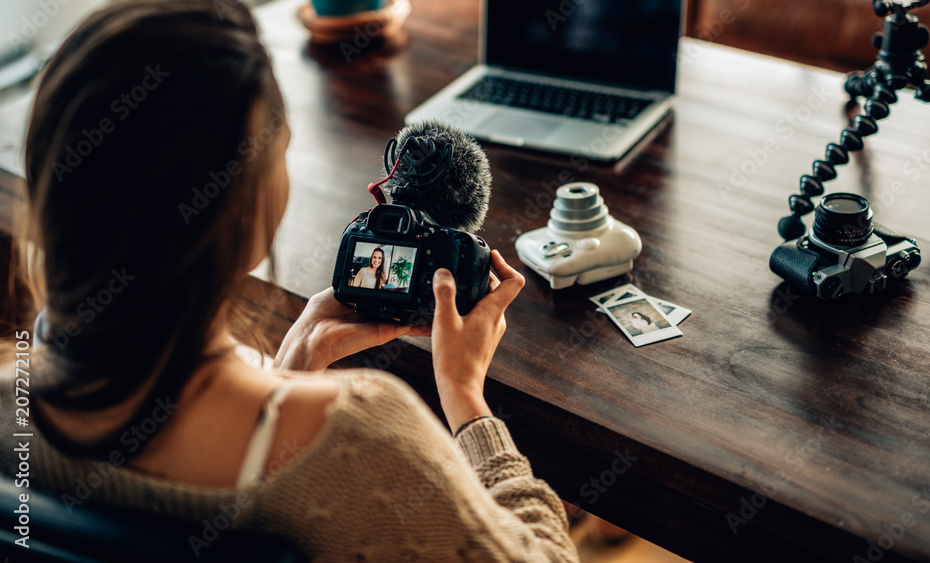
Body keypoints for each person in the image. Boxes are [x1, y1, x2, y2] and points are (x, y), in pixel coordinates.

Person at [0, 0, 578, 560]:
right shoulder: (367, 440)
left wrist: (290, 371)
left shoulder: (11, 405)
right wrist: (466, 398)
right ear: (246, 206)